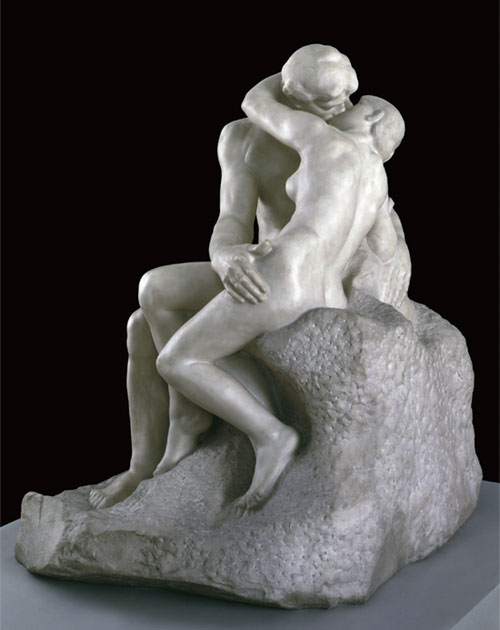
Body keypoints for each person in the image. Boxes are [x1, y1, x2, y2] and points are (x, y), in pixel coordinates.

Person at [89, 45, 408, 511]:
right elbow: (233, 217)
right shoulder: (249, 139)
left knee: (170, 354)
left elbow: (383, 253)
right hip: (270, 268)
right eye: (330, 100)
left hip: (286, 281)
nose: (345, 106)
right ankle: (169, 436)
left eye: (351, 98)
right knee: (150, 297)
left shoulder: (325, 140)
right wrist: (224, 255)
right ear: (294, 97)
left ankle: (257, 430)